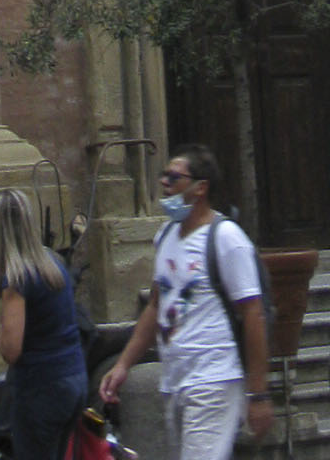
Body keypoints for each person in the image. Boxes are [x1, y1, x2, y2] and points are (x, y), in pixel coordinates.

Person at [99, 147, 273, 460]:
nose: (164, 182)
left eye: (174, 177)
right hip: (176, 379)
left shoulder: (226, 239)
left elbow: (253, 313)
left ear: (200, 187)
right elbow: (155, 305)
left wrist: (257, 393)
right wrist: (123, 364)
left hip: (214, 377)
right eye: (163, 175)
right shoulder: (165, 235)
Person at [0, 188, 85, 460]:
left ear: (1, 228)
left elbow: (10, 350)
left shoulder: (17, 278)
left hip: (41, 388)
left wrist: (0, 334)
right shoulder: (52, 262)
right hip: (72, 379)